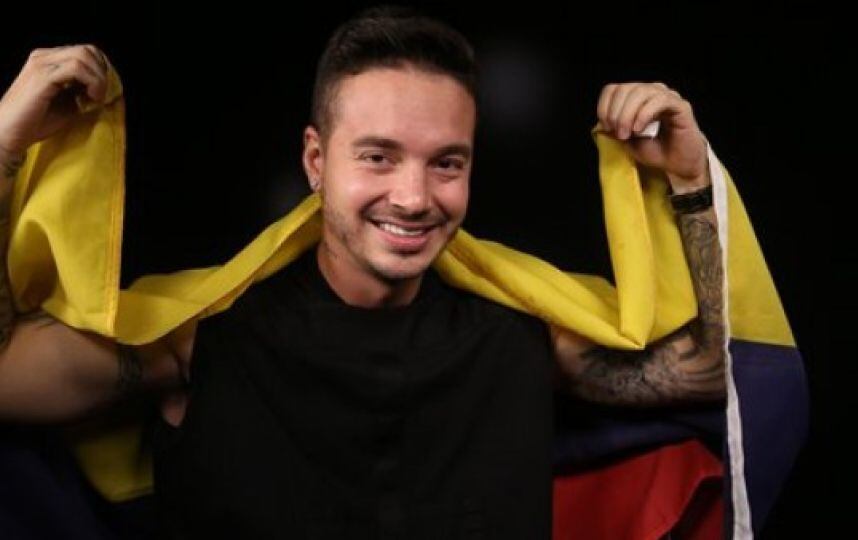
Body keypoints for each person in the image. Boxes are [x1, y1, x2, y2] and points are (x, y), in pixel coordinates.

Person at [0, 5, 729, 538]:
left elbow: (711, 371)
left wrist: (691, 179)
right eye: (378, 157)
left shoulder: (524, 335)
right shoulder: (198, 339)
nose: (413, 197)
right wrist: (4, 145)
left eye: (447, 163)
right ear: (316, 161)